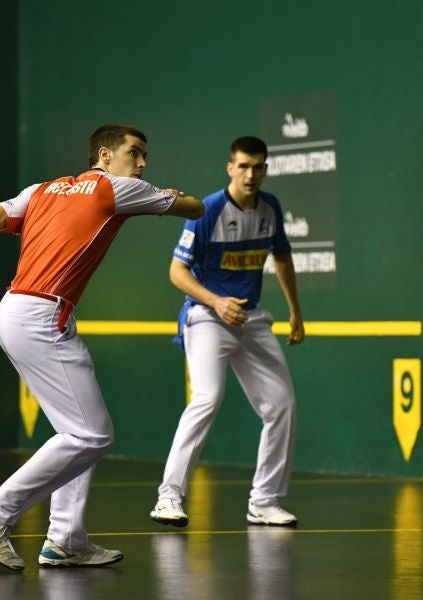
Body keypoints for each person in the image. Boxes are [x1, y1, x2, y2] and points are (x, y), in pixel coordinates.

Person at [0, 124, 204, 570]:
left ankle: (65, 539)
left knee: (77, 432)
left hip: (14, 310)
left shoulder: (42, 190)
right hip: (41, 317)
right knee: (92, 435)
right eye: (135, 153)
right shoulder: (116, 187)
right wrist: (170, 194)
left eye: (145, 156)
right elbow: (196, 207)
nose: (142, 163)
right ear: (105, 156)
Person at [150, 136, 304, 528]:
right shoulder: (208, 210)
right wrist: (216, 301)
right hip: (207, 317)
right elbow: (176, 272)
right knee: (207, 398)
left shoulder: (270, 208)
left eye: (258, 167)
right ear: (230, 168)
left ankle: (264, 501)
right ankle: (169, 497)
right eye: (244, 166)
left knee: (282, 404)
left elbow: (282, 258)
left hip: (251, 319)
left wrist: (295, 313)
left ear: (265, 169)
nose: (251, 174)